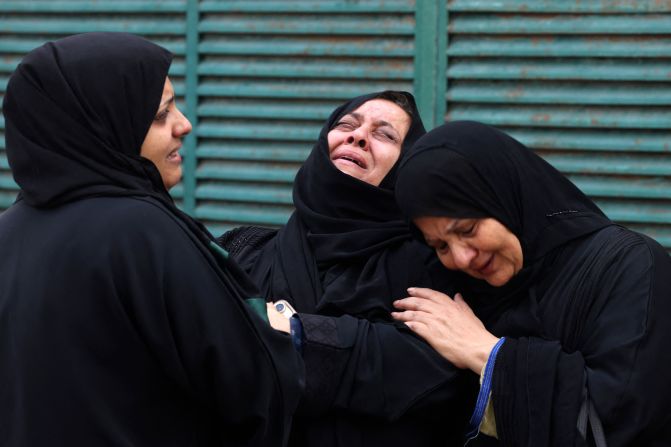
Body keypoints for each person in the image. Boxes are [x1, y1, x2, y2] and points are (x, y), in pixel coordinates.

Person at [0, 32, 303, 446]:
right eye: (161, 115)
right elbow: (248, 383)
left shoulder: (9, 232)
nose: (185, 125)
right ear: (104, 126)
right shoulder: (142, 231)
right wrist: (281, 336)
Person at [392, 120, 671, 446]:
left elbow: (620, 426)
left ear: (506, 196)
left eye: (467, 229)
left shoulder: (630, 268)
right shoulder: (456, 290)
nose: (462, 257)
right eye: (440, 246)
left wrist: (486, 352)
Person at [219, 93, 474, 447]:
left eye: (384, 135)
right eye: (346, 125)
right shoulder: (244, 251)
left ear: (407, 165)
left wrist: (293, 333)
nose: (358, 136)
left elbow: (438, 372)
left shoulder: (432, 264)